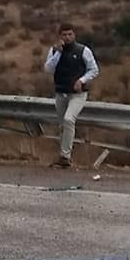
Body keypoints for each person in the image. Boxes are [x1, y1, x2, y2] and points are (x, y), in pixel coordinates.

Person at [42, 23, 100, 169]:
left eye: (70, 34)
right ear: (60, 36)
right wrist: (58, 53)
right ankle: (63, 157)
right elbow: (48, 69)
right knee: (62, 125)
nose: (67, 37)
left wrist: (82, 80)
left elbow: (94, 69)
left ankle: (65, 156)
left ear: (74, 35)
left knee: (69, 119)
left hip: (77, 94)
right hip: (61, 92)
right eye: (64, 35)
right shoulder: (54, 51)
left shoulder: (83, 50)